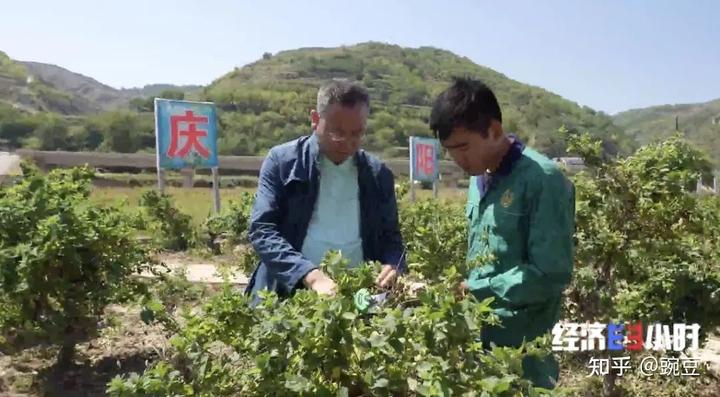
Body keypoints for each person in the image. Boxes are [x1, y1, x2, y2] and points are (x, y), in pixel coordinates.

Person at [429, 77, 575, 389]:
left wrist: (478, 289)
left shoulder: (542, 179)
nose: (457, 159)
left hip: (523, 351)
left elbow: (550, 273)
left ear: (494, 130)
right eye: (449, 151)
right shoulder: (478, 176)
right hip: (479, 341)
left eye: (463, 147)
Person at [245, 79, 405, 302]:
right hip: (287, 293)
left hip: (357, 296)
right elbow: (262, 230)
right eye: (338, 133)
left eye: (357, 134)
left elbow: (392, 238)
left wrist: (394, 263)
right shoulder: (283, 162)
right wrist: (309, 275)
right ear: (315, 119)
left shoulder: (377, 174)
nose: (348, 143)